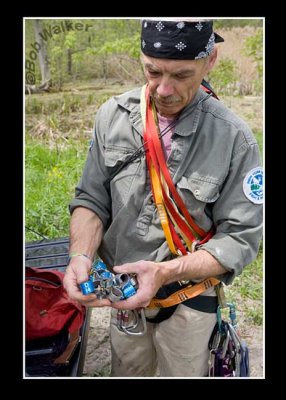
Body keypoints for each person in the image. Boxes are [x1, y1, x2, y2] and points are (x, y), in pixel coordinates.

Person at [63, 18, 263, 377]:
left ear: (211, 60)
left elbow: (240, 238)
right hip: (123, 300)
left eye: (182, 75)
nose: (164, 89)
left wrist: (165, 272)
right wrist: (80, 256)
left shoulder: (234, 139)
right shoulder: (113, 116)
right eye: (153, 71)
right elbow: (91, 199)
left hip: (188, 300)